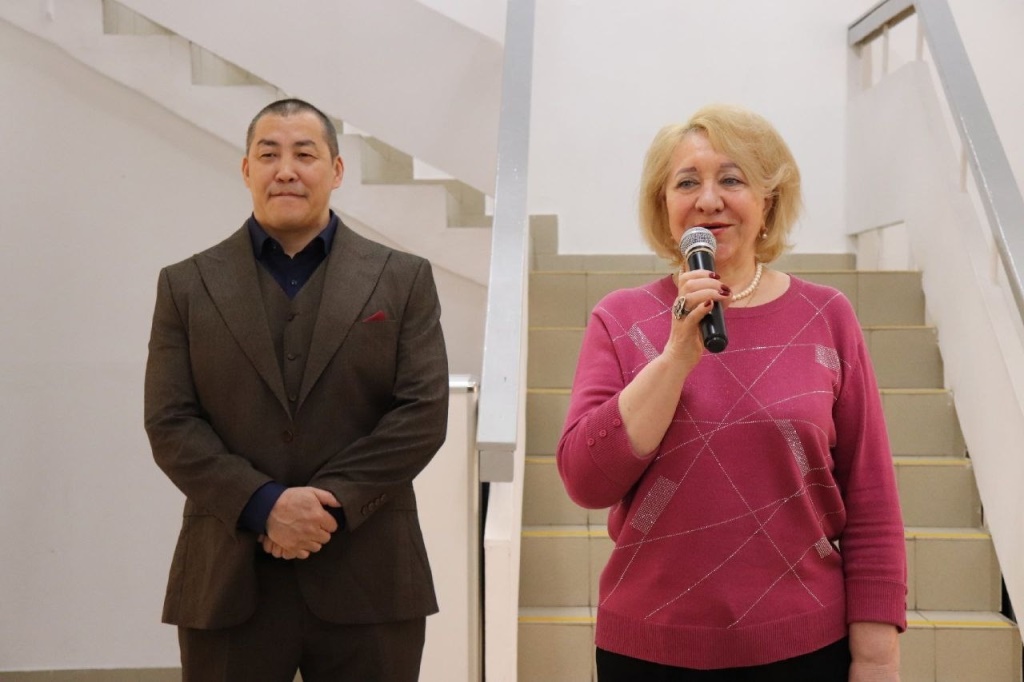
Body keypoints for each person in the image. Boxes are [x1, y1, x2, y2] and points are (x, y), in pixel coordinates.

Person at [557, 104, 906, 681]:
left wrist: (876, 657)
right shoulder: (621, 319)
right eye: (686, 182)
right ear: (663, 206)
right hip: (649, 651)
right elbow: (586, 481)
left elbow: (870, 499)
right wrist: (675, 358)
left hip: (803, 646)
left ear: (768, 200)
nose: (708, 200)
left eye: (732, 179)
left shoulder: (826, 316)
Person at [144, 98, 449, 681]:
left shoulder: (403, 278)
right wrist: (265, 505)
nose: (286, 170)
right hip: (228, 578)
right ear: (246, 170)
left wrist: (325, 503)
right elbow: (171, 421)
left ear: (336, 170)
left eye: (305, 154)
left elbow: (422, 414)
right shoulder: (186, 285)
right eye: (269, 155)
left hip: (372, 576)